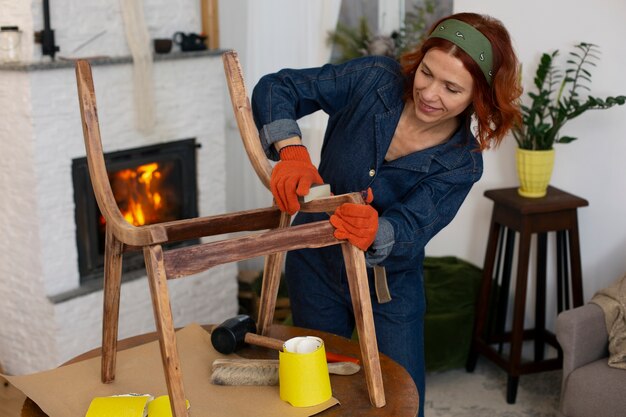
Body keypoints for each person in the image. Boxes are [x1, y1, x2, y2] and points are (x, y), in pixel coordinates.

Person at [251, 12, 521, 415]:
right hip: (315, 264)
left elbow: (414, 225)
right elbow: (278, 87)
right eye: (427, 73)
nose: (430, 93)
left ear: (478, 98)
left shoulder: (462, 162)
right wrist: (290, 151)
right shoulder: (374, 78)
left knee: (402, 399)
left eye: (451, 88)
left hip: (390, 284)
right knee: (313, 389)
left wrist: (379, 230)